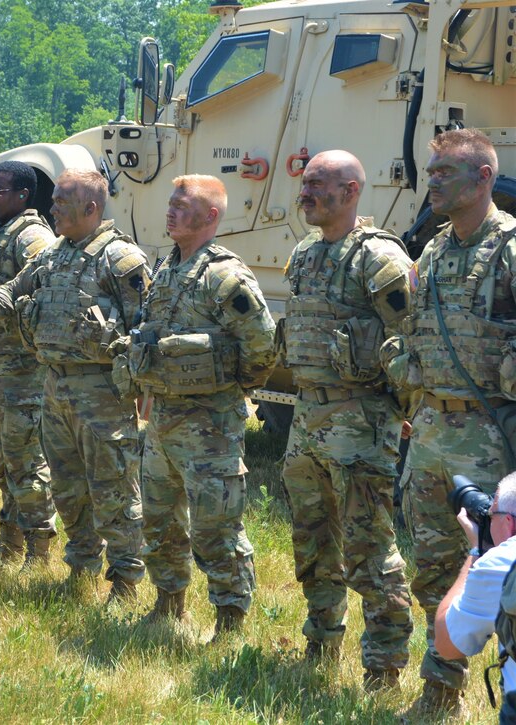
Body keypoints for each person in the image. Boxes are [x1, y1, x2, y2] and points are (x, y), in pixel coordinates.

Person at [0, 170, 149, 601]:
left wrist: (143, 388)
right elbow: (14, 289)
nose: (52, 209)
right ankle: (81, 569)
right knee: (69, 490)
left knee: (114, 491)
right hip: (55, 389)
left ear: (91, 209)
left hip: (101, 396)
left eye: (62, 202)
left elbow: (145, 328)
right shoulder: (57, 254)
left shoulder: (120, 259)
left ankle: (125, 584)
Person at [383, 128, 516, 716]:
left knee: (494, 572)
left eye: (445, 172)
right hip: (431, 431)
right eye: (430, 171)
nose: (431, 181)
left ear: (484, 177)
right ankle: (441, 693)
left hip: (487, 438)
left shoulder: (510, 248)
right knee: (434, 566)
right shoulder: (434, 249)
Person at [278, 151, 415, 686]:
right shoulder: (307, 253)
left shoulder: (378, 258)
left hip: (359, 424)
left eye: (318, 184)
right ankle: (321, 640)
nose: (306, 192)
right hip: (307, 417)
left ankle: (384, 666)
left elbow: (412, 343)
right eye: (305, 182)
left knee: (368, 548)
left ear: (352, 190)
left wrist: (401, 413)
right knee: (311, 539)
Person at [129, 174, 275, 637]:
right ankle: (169, 604)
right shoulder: (168, 268)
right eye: (169, 203)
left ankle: (230, 620)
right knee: (159, 521)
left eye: (181, 205)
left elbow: (264, 345)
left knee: (216, 528)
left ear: (210, 216)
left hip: (209, 428)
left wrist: (229, 390)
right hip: (162, 422)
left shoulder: (223, 274)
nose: (170, 211)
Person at [0, 160, 56, 569]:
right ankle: (10, 544)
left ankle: (39, 550)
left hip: (22, 374)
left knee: (27, 465)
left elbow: (40, 288)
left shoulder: (32, 235)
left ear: (23, 196)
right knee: (2, 462)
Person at [434, 473, 516, 720]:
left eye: (492, 515)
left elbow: (447, 644)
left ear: (510, 523)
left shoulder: (501, 562)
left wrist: (476, 552)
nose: (488, 522)